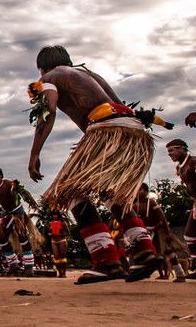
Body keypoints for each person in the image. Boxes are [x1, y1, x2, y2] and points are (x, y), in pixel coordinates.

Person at [26, 45, 162, 284]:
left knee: (66, 192)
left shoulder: (49, 77)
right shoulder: (90, 75)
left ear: (41, 68)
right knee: (110, 191)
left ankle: (106, 260)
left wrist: (34, 153)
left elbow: (49, 108)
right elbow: (121, 106)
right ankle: (143, 249)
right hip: (133, 130)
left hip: (105, 130)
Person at [134, 182, 187, 282]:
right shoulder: (135, 206)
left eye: (140, 189)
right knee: (154, 254)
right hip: (147, 232)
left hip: (159, 230)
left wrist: (167, 232)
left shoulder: (152, 202)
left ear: (146, 191)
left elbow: (162, 217)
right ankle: (161, 274)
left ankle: (180, 274)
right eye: (137, 190)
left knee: (168, 251)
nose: (138, 192)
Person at [165, 138, 196, 279]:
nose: (169, 154)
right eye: (167, 152)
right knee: (189, 235)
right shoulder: (179, 168)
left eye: (172, 150)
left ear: (182, 148)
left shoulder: (194, 161)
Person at [49, 211, 70, 278]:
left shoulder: (63, 223)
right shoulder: (50, 223)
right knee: (56, 257)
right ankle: (60, 272)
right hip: (54, 241)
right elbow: (48, 232)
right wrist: (51, 234)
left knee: (63, 256)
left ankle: (64, 273)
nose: (54, 216)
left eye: (56, 215)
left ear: (58, 215)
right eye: (53, 215)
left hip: (62, 240)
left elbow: (68, 233)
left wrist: (60, 234)